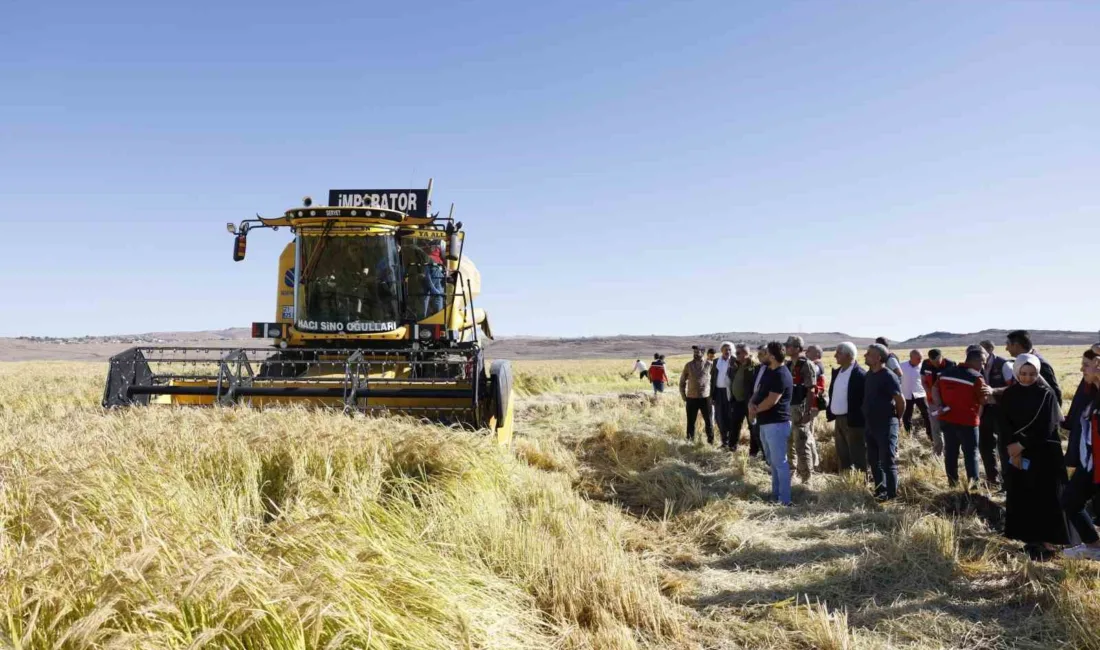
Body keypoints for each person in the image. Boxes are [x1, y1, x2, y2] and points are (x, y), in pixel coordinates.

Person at [997, 353, 1078, 560]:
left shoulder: (1045, 394)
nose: (1027, 378)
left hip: (1043, 453)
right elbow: (1004, 423)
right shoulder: (1009, 394)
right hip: (1016, 452)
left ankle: (1049, 542)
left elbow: (1047, 425)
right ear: (1016, 372)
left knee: (1046, 496)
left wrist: (1021, 445)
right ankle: (1029, 539)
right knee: (1024, 495)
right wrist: (1011, 448)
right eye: (1023, 373)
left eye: (1032, 374)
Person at [936, 345, 993, 488]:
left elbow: (934, 388)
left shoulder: (946, 373)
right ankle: (973, 487)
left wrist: (940, 405)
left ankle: (952, 484)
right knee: (971, 454)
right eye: (983, 362)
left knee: (950, 453)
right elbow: (983, 401)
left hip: (948, 419)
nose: (984, 365)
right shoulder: (976, 378)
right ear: (975, 361)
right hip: (968, 421)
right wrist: (989, 394)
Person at [1062, 348, 1100, 560]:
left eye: (1086, 365)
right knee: (1070, 500)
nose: (1081, 369)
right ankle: (1094, 545)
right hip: (1091, 462)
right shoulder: (1089, 392)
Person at [750, 341, 794, 505]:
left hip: (776, 424)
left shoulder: (781, 375)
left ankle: (785, 500)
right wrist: (752, 402)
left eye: (767, 353)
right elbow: (760, 391)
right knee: (773, 462)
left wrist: (755, 409)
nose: (764, 355)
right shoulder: (770, 371)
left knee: (780, 463)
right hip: (767, 422)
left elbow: (771, 401)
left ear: (773, 356)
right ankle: (776, 495)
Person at [863, 343, 906, 500]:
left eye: (868, 353)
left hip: (886, 424)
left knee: (887, 461)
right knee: (874, 461)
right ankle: (880, 491)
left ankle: (892, 496)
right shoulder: (869, 375)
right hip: (870, 425)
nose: (865, 355)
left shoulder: (888, 376)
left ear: (878, 358)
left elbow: (900, 401)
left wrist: (898, 418)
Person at [826, 342, 867, 472]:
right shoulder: (837, 372)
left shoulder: (860, 375)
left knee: (857, 453)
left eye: (838, 353)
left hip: (853, 421)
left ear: (849, 356)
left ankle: (860, 484)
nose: (834, 355)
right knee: (842, 453)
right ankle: (845, 482)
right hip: (839, 419)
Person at [784, 336, 819, 484]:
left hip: (800, 408)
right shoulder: (788, 365)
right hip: (788, 408)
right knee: (789, 442)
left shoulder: (806, 365)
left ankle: (807, 478)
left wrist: (808, 412)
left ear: (798, 348)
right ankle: (791, 474)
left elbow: (811, 390)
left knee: (802, 444)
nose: (787, 348)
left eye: (790, 346)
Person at [979, 340, 1013, 490]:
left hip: (1002, 409)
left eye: (982, 353)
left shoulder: (1004, 364)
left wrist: (994, 391)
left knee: (1004, 446)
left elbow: (1013, 388)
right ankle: (992, 479)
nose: (980, 357)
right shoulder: (977, 366)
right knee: (985, 445)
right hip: (984, 410)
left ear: (990, 350)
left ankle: (1008, 482)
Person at [1004, 330, 1062, 404]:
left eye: (1008, 344)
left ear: (1016, 345)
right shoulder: (1020, 362)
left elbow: (1054, 395)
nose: (1006, 348)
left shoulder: (1041, 364)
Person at [921, 349, 954, 455]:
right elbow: (923, 381)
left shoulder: (950, 364)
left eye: (937, 361)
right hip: (932, 402)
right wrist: (930, 393)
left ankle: (950, 451)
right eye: (933, 362)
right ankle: (938, 451)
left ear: (941, 356)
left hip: (947, 402)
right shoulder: (925, 364)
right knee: (935, 427)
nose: (935, 364)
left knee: (949, 426)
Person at [680, 346, 714, 443]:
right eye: (694, 352)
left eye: (697, 352)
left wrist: (713, 395)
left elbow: (715, 380)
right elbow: (682, 381)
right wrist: (683, 395)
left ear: (703, 352)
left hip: (706, 398)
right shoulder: (688, 365)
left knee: (709, 421)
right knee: (690, 422)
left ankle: (710, 442)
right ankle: (690, 442)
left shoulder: (709, 364)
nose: (695, 354)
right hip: (691, 398)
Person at [728, 342, 758, 452]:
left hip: (749, 402)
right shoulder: (736, 365)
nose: (736, 355)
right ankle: (732, 448)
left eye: (738, 353)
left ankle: (754, 451)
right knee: (734, 425)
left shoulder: (754, 366)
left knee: (752, 427)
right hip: (737, 401)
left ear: (745, 353)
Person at [713, 342, 736, 451]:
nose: (727, 351)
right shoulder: (716, 362)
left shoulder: (735, 361)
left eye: (729, 349)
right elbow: (712, 378)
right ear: (721, 350)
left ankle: (732, 443)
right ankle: (724, 441)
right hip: (718, 392)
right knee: (719, 417)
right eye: (725, 349)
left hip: (730, 393)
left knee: (730, 417)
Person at [748, 344, 770, 459]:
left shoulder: (772, 369)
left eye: (762, 354)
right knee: (756, 431)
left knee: (765, 433)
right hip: (754, 403)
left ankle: (768, 458)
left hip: (766, 405)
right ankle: (763, 455)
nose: (759, 356)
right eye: (758, 354)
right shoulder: (757, 368)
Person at [807, 345, 828, 412]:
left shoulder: (817, 366)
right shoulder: (813, 364)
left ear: (817, 354)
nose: (806, 353)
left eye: (809, 351)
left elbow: (809, 374)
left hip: (813, 404)